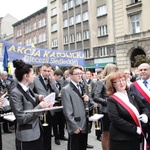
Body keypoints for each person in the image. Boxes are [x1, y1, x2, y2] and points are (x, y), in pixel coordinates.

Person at [9, 59, 50, 150]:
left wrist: (38, 97)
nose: (34, 76)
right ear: (26, 76)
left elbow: (30, 96)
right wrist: (40, 107)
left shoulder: (27, 88)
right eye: (32, 74)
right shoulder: (15, 93)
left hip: (36, 132)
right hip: (27, 136)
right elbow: (21, 118)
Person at [106, 71, 149, 150]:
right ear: (113, 84)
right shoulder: (111, 99)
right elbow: (115, 119)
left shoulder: (132, 95)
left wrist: (146, 115)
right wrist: (134, 129)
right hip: (121, 138)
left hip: (135, 137)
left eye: (123, 80)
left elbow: (143, 108)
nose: (122, 83)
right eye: (118, 81)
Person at [61, 66, 89, 150]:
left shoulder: (81, 85)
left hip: (84, 122)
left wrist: (87, 99)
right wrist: (74, 126)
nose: (80, 76)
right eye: (77, 74)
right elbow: (67, 111)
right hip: (76, 124)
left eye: (81, 73)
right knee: (74, 146)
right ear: (70, 76)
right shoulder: (66, 89)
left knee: (82, 146)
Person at [32, 63, 57, 150]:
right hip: (39, 111)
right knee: (40, 134)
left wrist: (52, 82)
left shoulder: (51, 80)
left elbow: (57, 93)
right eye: (44, 71)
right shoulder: (35, 79)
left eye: (48, 71)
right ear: (40, 70)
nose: (46, 73)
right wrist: (38, 97)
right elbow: (30, 93)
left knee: (48, 134)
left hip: (49, 110)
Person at [130, 63, 150, 147]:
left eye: (145, 69)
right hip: (141, 119)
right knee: (141, 144)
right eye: (141, 70)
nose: (143, 72)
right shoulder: (134, 86)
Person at [99, 63, 118, 150]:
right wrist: (108, 102)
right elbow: (95, 96)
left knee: (114, 133)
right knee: (106, 133)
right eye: (115, 70)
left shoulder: (115, 81)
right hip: (105, 111)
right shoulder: (101, 82)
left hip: (116, 110)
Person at [52, 69, 68, 145]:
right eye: (58, 77)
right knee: (55, 123)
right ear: (55, 75)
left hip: (62, 106)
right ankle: (56, 137)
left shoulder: (61, 83)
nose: (60, 78)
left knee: (62, 122)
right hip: (55, 106)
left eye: (61, 77)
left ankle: (62, 135)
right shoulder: (51, 83)